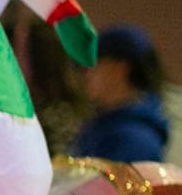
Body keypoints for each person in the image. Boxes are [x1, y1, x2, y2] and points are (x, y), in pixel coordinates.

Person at [71, 24, 171, 163]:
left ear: (120, 68)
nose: (85, 73)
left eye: (93, 63)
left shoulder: (134, 139)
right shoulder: (103, 125)